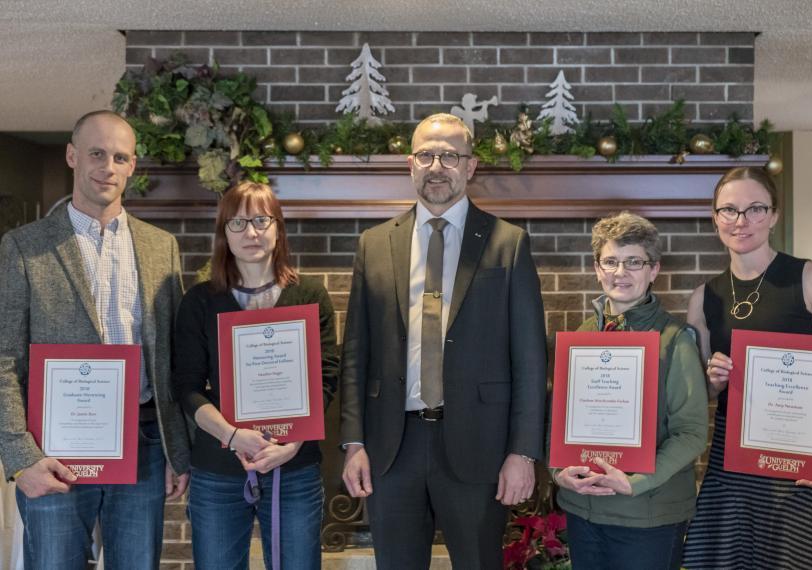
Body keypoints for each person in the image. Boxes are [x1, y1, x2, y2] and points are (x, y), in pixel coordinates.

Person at [338, 113, 547, 569]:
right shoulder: (374, 244)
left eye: (450, 156)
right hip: (392, 447)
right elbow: (355, 353)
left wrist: (523, 452)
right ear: (410, 164)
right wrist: (353, 442)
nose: (437, 166)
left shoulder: (507, 244)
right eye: (426, 155)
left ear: (470, 167)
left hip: (479, 445)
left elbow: (530, 360)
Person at [0, 110, 190, 569]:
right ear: (72, 156)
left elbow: (173, 358)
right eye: (97, 153)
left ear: (132, 167)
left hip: (143, 442)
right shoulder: (24, 246)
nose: (108, 166)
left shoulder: (160, 246)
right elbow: (4, 359)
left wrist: (176, 449)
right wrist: (20, 456)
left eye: (120, 157)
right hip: (53, 447)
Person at [682, 167, 812, 569]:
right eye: (729, 210)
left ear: (774, 215)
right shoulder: (703, 298)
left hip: (802, 465)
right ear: (715, 217)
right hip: (731, 468)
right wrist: (713, 378)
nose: (741, 221)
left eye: (755, 209)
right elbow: (705, 393)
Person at [172, 181, 339, 570]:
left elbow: (327, 378)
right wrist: (233, 436)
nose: (251, 232)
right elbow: (187, 387)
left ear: (278, 228)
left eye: (261, 220)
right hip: (218, 469)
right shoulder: (199, 302)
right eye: (238, 222)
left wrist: (292, 443)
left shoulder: (311, 295)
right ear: (223, 233)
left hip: (294, 468)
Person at [552, 212, 708, 570]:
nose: (620, 272)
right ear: (597, 268)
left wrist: (637, 482)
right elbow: (558, 418)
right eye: (610, 261)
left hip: (648, 515)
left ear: (654, 270)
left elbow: (692, 433)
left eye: (633, 262)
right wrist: (557, 469)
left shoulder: (675, 340)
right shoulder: (581, 337)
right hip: (584, 511)